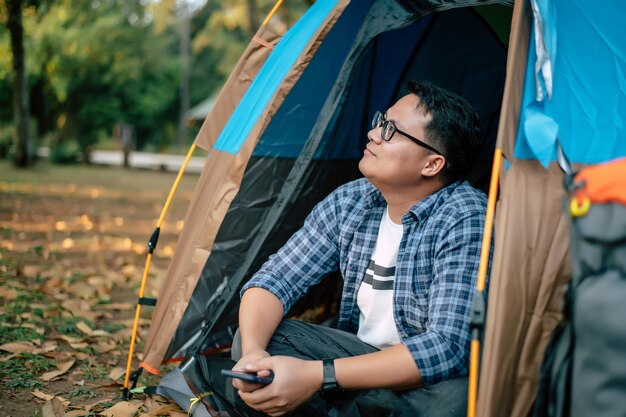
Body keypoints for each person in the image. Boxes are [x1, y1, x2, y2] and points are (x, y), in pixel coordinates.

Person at [228, 81, 490, 416]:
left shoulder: (466, 217)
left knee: (457, 400)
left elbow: (447, 347)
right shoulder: (352, 200)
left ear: (432, 165)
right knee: (257, 340)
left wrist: (316, 376)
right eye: (382, 121)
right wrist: (253, 356)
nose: (374, 134)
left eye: (391, 130)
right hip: (357, 361)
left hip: (425, 381)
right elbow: (273, 281)